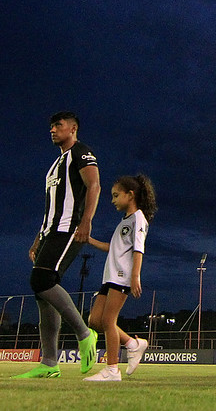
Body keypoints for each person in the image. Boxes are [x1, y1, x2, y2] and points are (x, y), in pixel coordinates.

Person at [12, 112, 100, 379]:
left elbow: (94, 185)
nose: (52, 130)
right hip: (51, 232)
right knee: (42, 295)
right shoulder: (55, 166)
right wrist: (38, 239)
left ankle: (84, 333)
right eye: (51, 126)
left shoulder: (81, 152)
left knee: (42, 280)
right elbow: (51, 208)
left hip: (68, 229)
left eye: (58, 126)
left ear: (73, 129)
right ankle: (50, 362)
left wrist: (86, 221)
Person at [84, 175, 157, 381]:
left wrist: (135, 276)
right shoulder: (124, 221)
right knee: (95, 320)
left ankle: (112, 370)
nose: (113, 200)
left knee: (108, 321)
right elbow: (113, 248)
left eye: (116, 195)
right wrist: (89, 241)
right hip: (109, 276)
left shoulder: (138, 218)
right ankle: (133, 344)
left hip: (122, 276)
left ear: (130, 195)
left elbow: (138, 249)